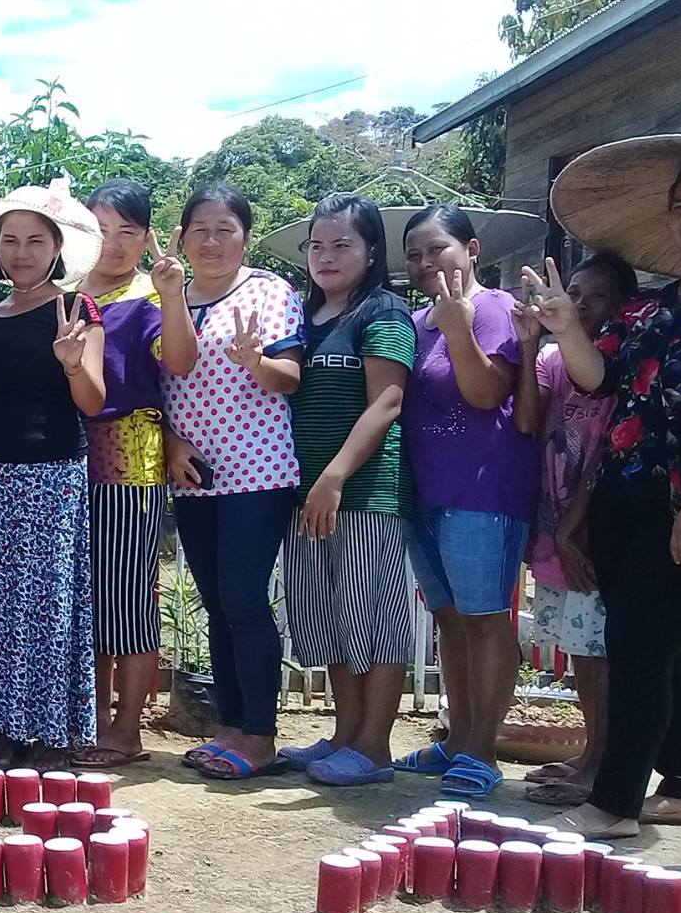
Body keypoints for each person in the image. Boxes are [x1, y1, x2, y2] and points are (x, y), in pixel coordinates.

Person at [533, 137, 681, 838]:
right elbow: (602, 383)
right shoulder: (654, 312)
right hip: (625, 496)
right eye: (680, 207)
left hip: (676, 503)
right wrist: (566, 327)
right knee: (653, 645)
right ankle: (679, 784)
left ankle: (616, 804)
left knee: (641, 649)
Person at [0, 181, 105, 769]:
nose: (21, 252)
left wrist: (70, 365)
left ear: (57, 247)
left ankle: (46, 729)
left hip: (52, 474)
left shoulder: (77, 310)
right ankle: (1, 728)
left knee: (45, 602)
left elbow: (92, 401)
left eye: (35, 240)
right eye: (9, 240)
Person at [160, 182, 305, 781]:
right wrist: (171, 444)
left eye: (226, 229)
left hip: (258, 470)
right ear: (181, 236)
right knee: (216, 601)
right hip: (194, 472)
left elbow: (289, 378)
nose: (212, 241)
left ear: (246, 235)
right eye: (200, 229)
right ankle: (228, 727)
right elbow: (172, 371)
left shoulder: (270, 291)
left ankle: (261, 735)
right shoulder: (167, 293)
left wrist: (256, 362)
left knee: (244, 599)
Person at [394, 204, 537, 799]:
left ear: (472, 250)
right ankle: (456, 739)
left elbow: (485, 395)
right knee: (449, 621)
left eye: (438, 249)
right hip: (426, 489)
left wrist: (457, 326)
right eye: (415, 254)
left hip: (484, 488)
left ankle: (483, 749)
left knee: (484, 620)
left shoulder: (496, 309)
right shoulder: (415, 319)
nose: (426, 263)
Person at [280, 193, 418, 786]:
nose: (326, 256)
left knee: (376, 621)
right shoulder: (304, 319)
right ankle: (344, 734)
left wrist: (335, 475)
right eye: (317, 245)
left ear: (370, 251)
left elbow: (388, 400)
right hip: (308, 493)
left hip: (365, 495)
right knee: (335, 618)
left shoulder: (384, 311)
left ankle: (374, 747)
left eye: (342, 244)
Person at [75, 178, 196, 766]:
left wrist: (173, 297)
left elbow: (179, 362)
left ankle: (126, 729)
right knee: (83, 596)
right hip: (64, 460)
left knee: (126, 598)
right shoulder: (63, 287)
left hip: (130, 456)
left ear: (147, 236)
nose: (114, 244)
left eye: (127, 231)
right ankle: (90, 717)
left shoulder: (151, 292)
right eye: (100, 230)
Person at [514, 252, 628, 808]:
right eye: (574, 292)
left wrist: (570, 530)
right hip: (555, 525)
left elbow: (606, 452)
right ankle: (591, 753)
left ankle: (603, 764)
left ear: (623, 306)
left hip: (591, 533)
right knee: (580, 650)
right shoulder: (556, 359)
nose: (581, 304)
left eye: (597, 296)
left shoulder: (621, 360)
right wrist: (533, 344)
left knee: (599, 652)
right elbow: (530, 421)